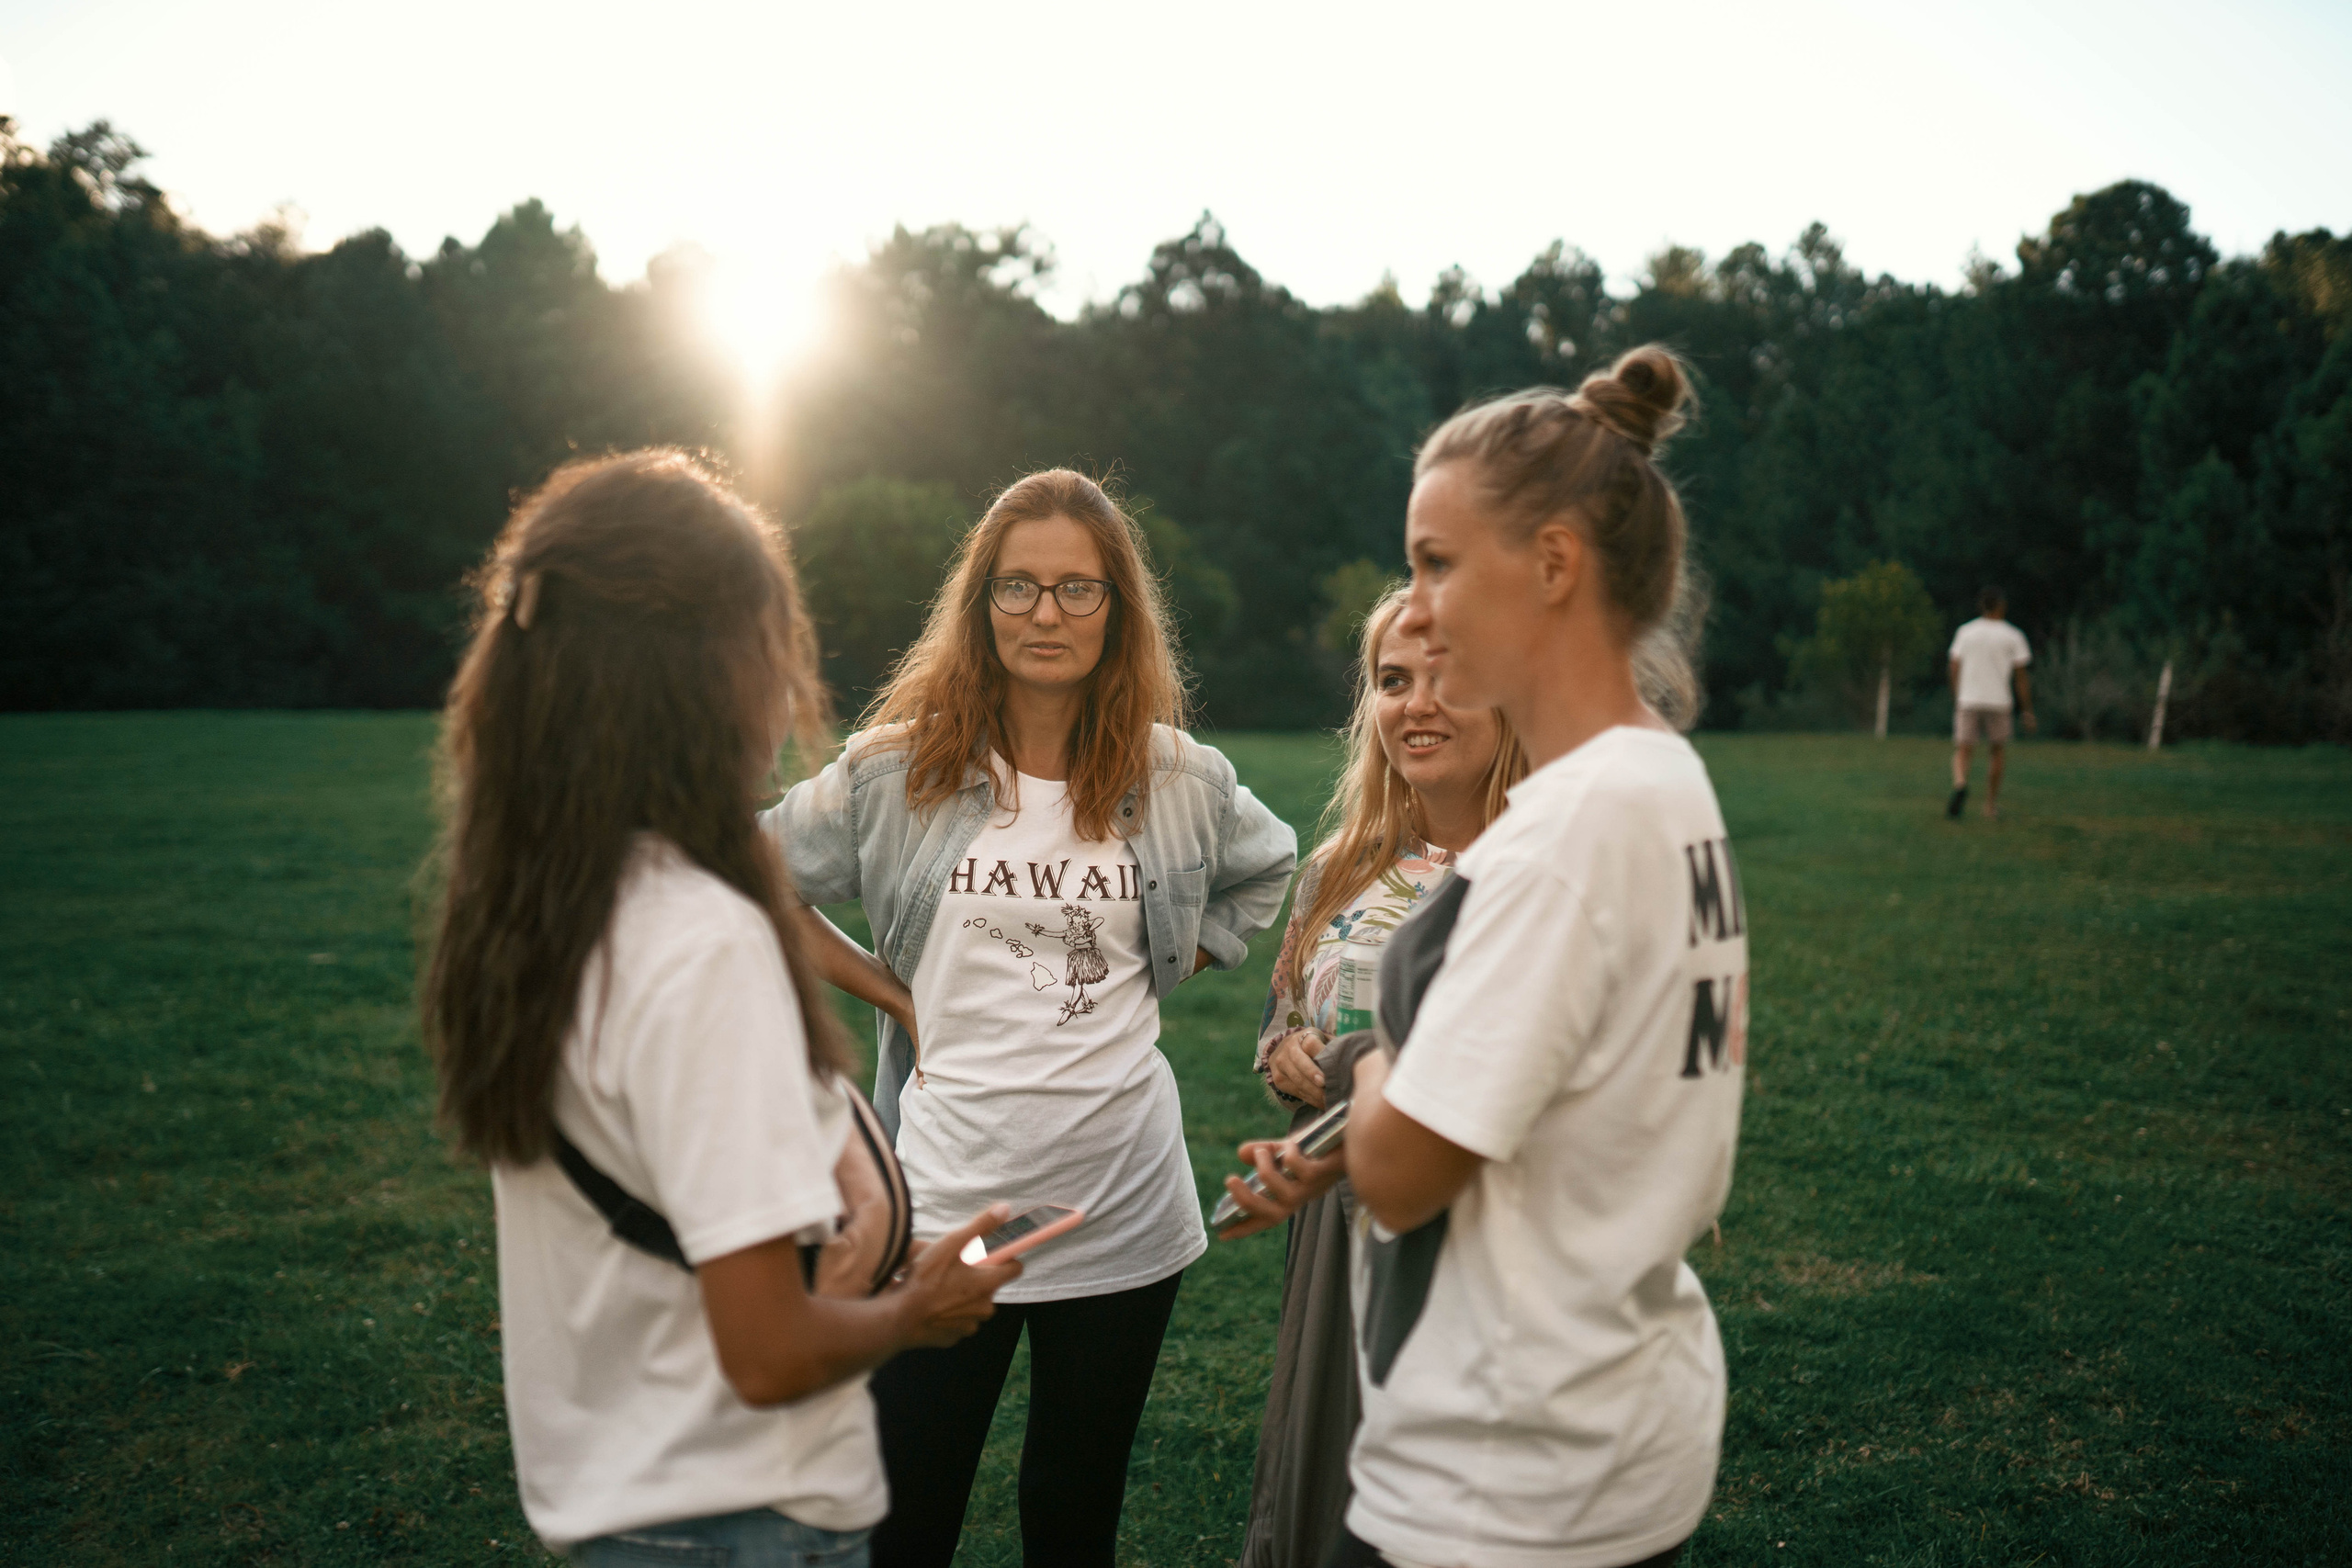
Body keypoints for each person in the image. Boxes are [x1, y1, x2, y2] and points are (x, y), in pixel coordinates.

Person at [420, 451, 1022, 1565]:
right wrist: (915, 1312)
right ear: (701, 670)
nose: (790, 682)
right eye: (774, 641)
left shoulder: (550, 902)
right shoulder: (699, 942)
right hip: (746, 1519)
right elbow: (769, 1351)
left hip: (630, 1506)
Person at [1222, 346, 1748, 1568]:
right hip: (1618, 1416)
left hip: (1506, 1477)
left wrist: (1359, 1063)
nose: (1416, 607)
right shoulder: (1665, 780)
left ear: (1553, 564)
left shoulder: (1545, 844)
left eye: (1437, 563)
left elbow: (1403, 1173)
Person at [762, 468, 1297, 1568]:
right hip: (944, 1197)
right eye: (1017, 588)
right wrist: (893, 991)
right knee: (907, 1512)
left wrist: (1172, 959)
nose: (1045, 614)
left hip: (1124, 1202)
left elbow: (1269, 862)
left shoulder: (1176, 776)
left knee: (1072, 1506)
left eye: (1076, 589)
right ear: (980, 605)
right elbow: (750, 870)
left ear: (1117, 610)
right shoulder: (896, 769)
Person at [1238, 583, 1526, 1568]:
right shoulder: (1338, 870)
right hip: (1333, 1232)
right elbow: (1284, 1018)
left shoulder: (1537, 872)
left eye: (1445, 676)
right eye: (1392, 681)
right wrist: (1286, 1058)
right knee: (1335, 1478)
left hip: (1478, 1239)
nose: (1416, 704)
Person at [1947, 588, 2034, 820]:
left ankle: (1960, 782)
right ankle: (1989, 806)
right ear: (2001, 606)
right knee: (1996, 752)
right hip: (1999, 701)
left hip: (1969, 699)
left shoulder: (1965, 632)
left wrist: (1957, 694)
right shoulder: (2013, 635)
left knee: (1963, 749)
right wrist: (2027, 710)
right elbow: (2021, 676)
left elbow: (1954, 665)